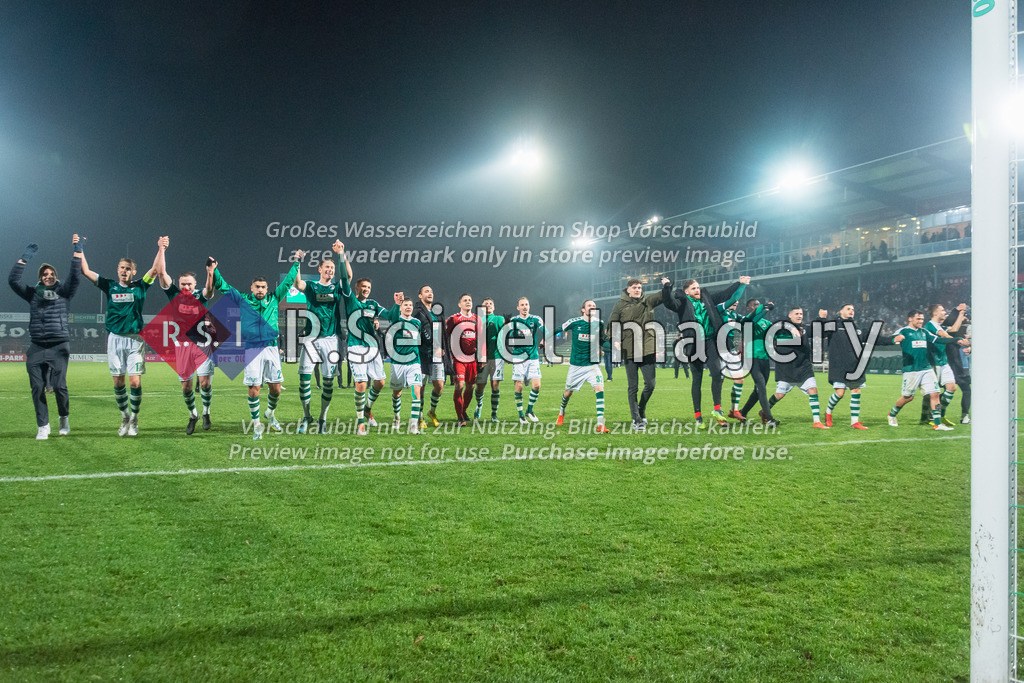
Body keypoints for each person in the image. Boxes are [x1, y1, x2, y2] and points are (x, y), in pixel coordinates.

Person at [210, 252, 303, 439]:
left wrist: (297, 262)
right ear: (251, 288)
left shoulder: (274, 298)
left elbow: (289, 281)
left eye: (263, 287)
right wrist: (214, 271)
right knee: (254, 389)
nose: (260, 290)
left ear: (267, 288)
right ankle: (256, 424)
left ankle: (270, 412)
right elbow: (224, 287)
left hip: (271, 347)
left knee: (276, 388)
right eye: (257, 287)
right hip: (252, 349)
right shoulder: (243, 299)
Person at [80, 236, 166, 436]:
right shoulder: (109, 286)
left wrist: (161, 249)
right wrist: (79, 248)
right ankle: (124, 416)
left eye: (128, 268)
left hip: (135, 339)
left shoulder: (140, 286)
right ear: (117, 270)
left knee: (135, 382)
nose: (124, 271)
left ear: (133, 272)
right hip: (115, 339)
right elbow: (85, 271)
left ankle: (135, 419)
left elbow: (156, 270)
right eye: (121, 268)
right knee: (118, 382)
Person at [8, 235, 82, 439]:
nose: (48, 276)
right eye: (45, 274)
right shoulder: (32, 293)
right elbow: (13, 281)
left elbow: (75, 277)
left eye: (51, 274)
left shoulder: (64, 292)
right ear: (40, 277)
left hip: (59, 346)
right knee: (37, 386)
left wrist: (77, 251)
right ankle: (43, 426)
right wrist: (23, 259)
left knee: (59, 386)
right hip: (37, 347)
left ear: (55, 276)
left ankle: (63, 418)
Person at [663, 275, 749, 427]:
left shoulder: (707, 299)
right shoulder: (682, 302)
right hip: (693, 344)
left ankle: (717, 410)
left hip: (710, 341)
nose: (697, 290)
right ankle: (698, 416)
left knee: (717, 374)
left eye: (698, 287)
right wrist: (667, 287)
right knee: (697, 380)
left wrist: (740, 284)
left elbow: (725, 294)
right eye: (694, 288)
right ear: (687, 292)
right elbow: (669, 303)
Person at [338, 247, 397, 434]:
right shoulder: (349, 299)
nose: (366, 290)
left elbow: (389, 315)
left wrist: (397, 304)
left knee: (379, 382)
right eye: (363, 287)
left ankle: (368, 409)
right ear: (357, 288)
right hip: (356, 346)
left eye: (369, 288)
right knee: (361, 384)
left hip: (373, 348)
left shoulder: (373, 304)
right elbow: (344, 275)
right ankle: (360, 422)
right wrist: (341, 255)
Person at [156, 259, 216, 434]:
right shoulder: (174, 295)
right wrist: (162, 250)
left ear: (194, 284)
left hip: (203, 344)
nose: (186, 287)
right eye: (183, 284)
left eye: (189, 284)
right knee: (186, 387)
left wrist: (210, 272)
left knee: (204, 384)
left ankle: (206, 412)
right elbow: (161, 275)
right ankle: (193, 415)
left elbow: (210, 290)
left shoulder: (201, 296)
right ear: (178, 283)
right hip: (182, 346)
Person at [608, 277, 672, 431]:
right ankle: (636, 419)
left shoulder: (648, 301)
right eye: (635, 287)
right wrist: (615, 339)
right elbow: (613, 324)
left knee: (651, 384)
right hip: (629, 349)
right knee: (633, 387)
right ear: (628, 289)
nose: (637, 290)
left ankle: (641, 409)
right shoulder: (620, 305)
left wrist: (667, 285)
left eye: (639, 287)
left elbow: (664, 295)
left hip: (648, 348)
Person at [294, 245, 344, 434]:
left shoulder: (337, 287)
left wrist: (341, 254)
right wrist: (297, 261)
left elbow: (348, 275)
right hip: (311, 338)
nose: (330, 270)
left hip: (330, 339)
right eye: (327, 267)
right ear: (320, 269)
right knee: (304, 379)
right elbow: (297, 283)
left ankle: (322, 418)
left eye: (332, 267)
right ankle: (307, 416)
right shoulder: (312, 286)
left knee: (328, 381)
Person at [886, 310, 957, 430]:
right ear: (910, 319)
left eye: (922, 319)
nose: (921, 322)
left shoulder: (924, 332)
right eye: (918, 319)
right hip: (911, 370)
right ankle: (892, 414)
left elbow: (938, 340)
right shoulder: (903, 331)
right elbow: (891, 339)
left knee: (935, 394)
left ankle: (937, 423)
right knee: (908, 397)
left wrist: (955, 339)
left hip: (926, 368)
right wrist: (895, 339)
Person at [766, 307, 835, 428]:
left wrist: (821, 318)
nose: (799, 316)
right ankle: (765, 411)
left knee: (813, 390)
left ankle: (816, 421)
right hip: (787, 368)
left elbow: (818, 330)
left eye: (801, 314)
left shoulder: (804, 328)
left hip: (804, 367)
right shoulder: (782, 329)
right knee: (779, 395)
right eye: (796, 314)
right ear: (790, 315)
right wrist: (790, 327)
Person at [556, 299, 610, 433]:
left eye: (594, 306)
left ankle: (600, 424)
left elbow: (602, 340)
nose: (592, 307)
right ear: (583, 309)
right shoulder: (574, 322)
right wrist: (545, 338)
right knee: (568, 392)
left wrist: (613, 345)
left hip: (592, 365)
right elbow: (559, 329)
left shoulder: (600, 323)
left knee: (599, 389)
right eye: (589, 305)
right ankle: (561, 413)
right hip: (576, 366)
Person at [817, 304, 871, 428]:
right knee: (840, 393)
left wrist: (892, 340)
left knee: (856, 391)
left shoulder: (856, 327)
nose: (851, 311)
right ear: (841, 311)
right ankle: (828, 412)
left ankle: (854, 422)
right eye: (848, 309)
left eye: (853, 309)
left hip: (854, 366)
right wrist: (821, 319)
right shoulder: (834, 324)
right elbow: (819, 332)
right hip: (839, 366)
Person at [917, 303, 967, 426]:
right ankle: (926, 417)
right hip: (933, 362)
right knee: (933, 392)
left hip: (943, 362)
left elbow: (954, 329)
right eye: (942, 310)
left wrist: (961, 314)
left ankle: (940, 414)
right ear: (935, 313)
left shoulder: (939, 325)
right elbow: (944, 335)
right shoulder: (930, 325)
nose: (945, 312)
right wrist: (958, 340)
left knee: (952, 387)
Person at [735, 299, 778, 427]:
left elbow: (774, 338)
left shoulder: (767, 323)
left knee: (757, 390)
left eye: (758, 305)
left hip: (765, 358)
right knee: (761, 387)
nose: (757, 307)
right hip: (751, 358)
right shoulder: (746, 321)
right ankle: (769, 418)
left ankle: (743, 411)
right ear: (748, 309)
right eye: (754, 305)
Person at [506, 296, 546, 423]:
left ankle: (529, 410)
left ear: (529, 306)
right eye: (522, 305)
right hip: (518, 356)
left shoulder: (536, 319)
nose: (524, 307)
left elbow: (546, 330)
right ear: (518, 308)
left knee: (537, 385)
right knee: (519, 385)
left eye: (526, 304)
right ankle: (521, 414)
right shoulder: (514, 320)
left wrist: (544, 338)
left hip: (533, 357)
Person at [411, 285, 446, 427]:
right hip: (423, 353)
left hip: (437, 354)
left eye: (431, 291)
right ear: (420, 296)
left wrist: (442, 347)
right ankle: (420, 417)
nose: (430, 293)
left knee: (439, 385)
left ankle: (432, 411)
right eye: (426, 291)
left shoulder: (437, 312)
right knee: (421, 387)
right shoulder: (418, 312)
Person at [387, 297, 423, 434]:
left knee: (416, 393)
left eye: (410, 305)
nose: (408, 307)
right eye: (405, 305)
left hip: (414, 362)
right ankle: (396, 418)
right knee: (397, 393)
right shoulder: (396, 321)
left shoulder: (417, 322)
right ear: (401, 308)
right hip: (397, 363)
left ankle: (413, 426)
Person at [445, 293, 481, 426]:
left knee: (470, 387)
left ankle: (463, 410)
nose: (468, 302)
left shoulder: (477, 319)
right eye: (465, 300)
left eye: (470, 300)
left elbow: (481, 339)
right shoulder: (453, 319)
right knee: (459, 385)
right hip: (458, 358)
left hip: (472, 359)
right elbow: (444, 336)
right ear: (459, 304)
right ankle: (460, 418)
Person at [474, 297, 506, 422]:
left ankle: (494, 415)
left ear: (494, 307)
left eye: (491, 303)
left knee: (495, 385)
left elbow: (506, 326)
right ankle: (479, 405)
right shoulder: (476, 320)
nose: (488, 305)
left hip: (497, 357)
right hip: (482, 357)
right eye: (485, 303)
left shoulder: (498, 319)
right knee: (480, 386)